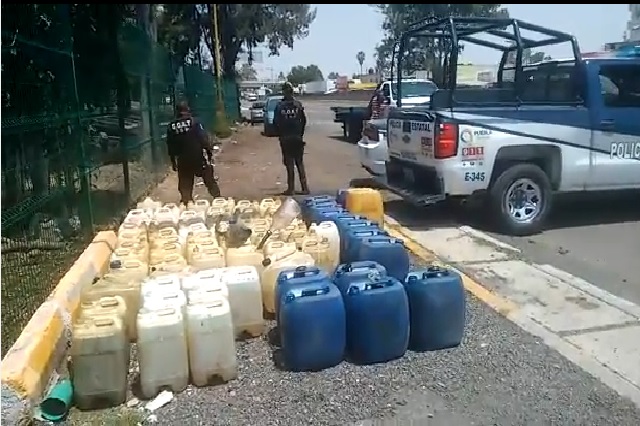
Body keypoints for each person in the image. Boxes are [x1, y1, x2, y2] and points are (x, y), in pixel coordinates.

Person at [166, 101, 221, 205]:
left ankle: (187, 204)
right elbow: (203, 139)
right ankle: (218, 199)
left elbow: (170, 146)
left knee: (185, 184)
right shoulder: (194, 122)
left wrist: (173, 162)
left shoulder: (171, 126)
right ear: (187, 110)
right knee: (209, 179)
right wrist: (209, 153)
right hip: (197, 157)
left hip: (183, 160)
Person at [273, 82, 309, 195]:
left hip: (286, 139)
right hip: (297, 138)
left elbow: (276, 122)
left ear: (284, 92)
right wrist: (300, 134)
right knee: (300, 163)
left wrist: (280, 135)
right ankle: (304, 188)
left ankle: (291, 189)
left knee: (289, 164)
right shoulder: (298, 105)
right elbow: (303, 121)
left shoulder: (280, 106)